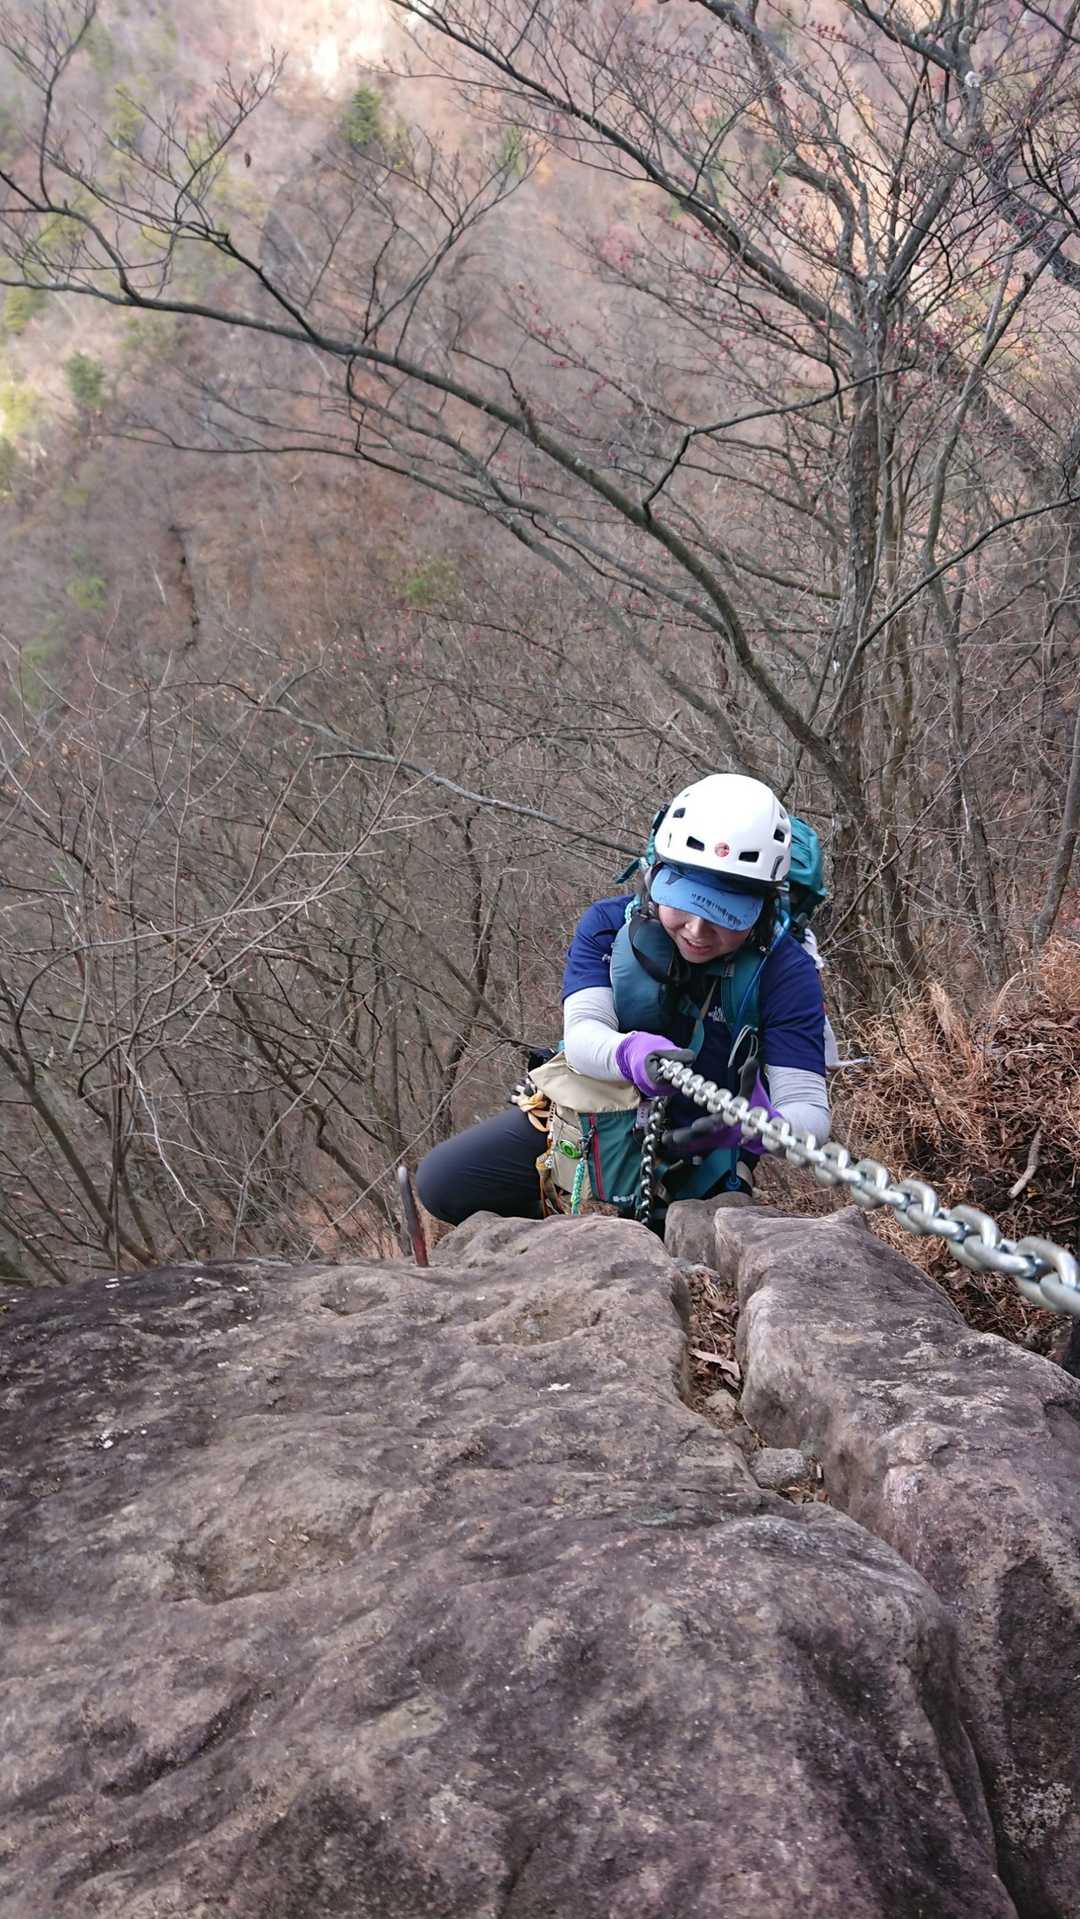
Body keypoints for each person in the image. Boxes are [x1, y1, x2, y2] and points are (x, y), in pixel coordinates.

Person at [416, 773, 830, 1228]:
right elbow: (583, 1035)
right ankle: (554, 1230)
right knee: (445, 1183)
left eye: (725, 915)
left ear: (763, 908)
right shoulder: (609, 926)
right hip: (596, 1115)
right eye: (684, 903)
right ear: (655, 876)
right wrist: (629, 1053)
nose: (696, 931)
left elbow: (808, 1109)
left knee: (679, 1240)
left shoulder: (785, 970)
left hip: (706, 1147)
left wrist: (764, 1127)